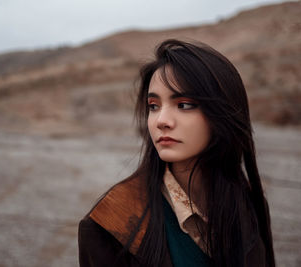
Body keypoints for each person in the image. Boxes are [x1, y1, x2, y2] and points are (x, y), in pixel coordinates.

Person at [78, 39, 275, 267]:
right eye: (153, 106)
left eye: (184, 104)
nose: (161, 121)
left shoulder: (248, 202)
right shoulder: (109, 224)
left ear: (223, 112)